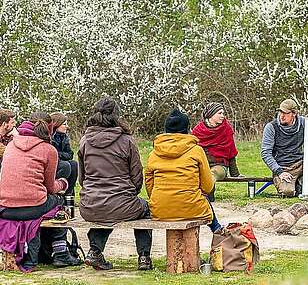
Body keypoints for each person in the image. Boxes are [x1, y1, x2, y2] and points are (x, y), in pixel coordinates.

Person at [0, 113, 81, 268]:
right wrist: (63, 183)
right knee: (60, 204)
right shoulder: (48, 149)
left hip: (5, 208)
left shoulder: (10, 145)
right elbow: (50, 188)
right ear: (49, 129)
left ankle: (45, 252)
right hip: (32, 208)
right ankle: (60, 252)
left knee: (50, 201)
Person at [78, 97, 152, 271]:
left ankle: (95, 251)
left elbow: (82, 179)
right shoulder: (126, 141)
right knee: (145, 209)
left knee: (105, 210)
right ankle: (144, 257)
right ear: (116, 115)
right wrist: (130, 193)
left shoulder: (84, 141)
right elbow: (136, 176)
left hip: (90, 205)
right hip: (121, 202)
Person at [146, 109, 222, 233]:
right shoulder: (196, 150)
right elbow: (208, 186)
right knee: (204, 198)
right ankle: (217, 229)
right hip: (192, 209)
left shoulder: (154, 153)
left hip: (160, 210)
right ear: (187, 129)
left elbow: (149, 184)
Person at [261, 98, 308, 197]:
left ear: (294, 113)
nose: (282, 116)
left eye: (286, 113)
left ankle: (300, 185)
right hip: (283, 167)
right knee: (287, 192)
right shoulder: (271, 127)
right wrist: (279, 172)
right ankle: (298, 186)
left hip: (302, 164)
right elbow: (265, 153)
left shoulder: (304, 123)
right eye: (280, 112)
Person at [191, 102, 239, 202]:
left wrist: (235, 174)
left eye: (223, 113)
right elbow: (192, 151)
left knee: (211, 174)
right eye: (219, 113)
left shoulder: (226, 129)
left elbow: (231, 152)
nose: (223, 116)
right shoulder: (198, 131)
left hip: (220, 166)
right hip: (202, 164)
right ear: (211, 115)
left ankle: (207, 196)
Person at [50, 112, 78, 201]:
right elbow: (52, 155)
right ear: (56, 125)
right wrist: (61, 155)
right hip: (52, 164)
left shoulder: (64, 137)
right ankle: (57, 192)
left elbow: (70, 154)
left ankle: (68, 194)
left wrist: (60, 154)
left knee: (74, 164)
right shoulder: (49, 137)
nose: (67, 126)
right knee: (65, 165)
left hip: (61, 161)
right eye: (64, 124)